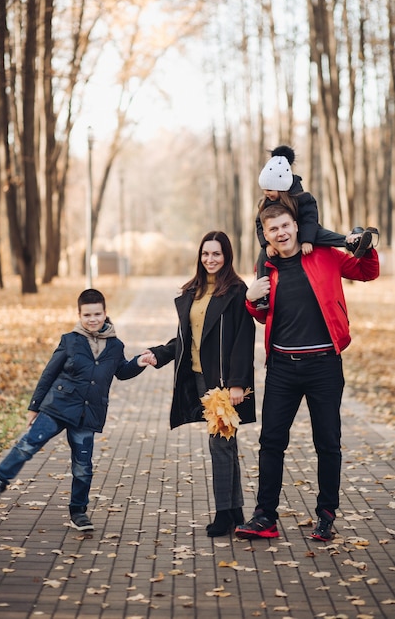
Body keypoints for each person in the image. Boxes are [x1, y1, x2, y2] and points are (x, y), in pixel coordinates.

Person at [235, 205, 379, 542]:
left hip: (324, 365)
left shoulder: (326, 253)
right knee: (271, 443)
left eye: (286, 225)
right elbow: (262, 313)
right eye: (274, 229)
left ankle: (327, 515)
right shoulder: (266, 266)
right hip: (282, 367)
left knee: (328, 443)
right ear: (266, 235)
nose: (281, 233)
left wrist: (367, 246)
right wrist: (249, 299)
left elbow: (366, 272)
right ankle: (264, 517)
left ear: (297, 225)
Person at [0, 288, 156, 532]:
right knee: (27, 445)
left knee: (83, 466)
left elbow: (122, 371)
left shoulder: (116, 346)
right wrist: (34, 407)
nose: (92, 319)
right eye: (87, 315)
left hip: (88, 415)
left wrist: (138, 362)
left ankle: (78, 512)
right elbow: (49, 373)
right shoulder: (70, 340)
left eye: (97, 314)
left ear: (105, 313)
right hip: (57, 407)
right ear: (79, 315)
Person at [149, 231, 256, 537]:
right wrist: (158, 354)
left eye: (217, 254)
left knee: (220, 445)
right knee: (225, 445)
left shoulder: (236, 291)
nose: (210, 259)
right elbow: (185, 338)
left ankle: (225, 514)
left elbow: (243, 340)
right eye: (206, 254)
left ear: (227, 257)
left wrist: (237, 384)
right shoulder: (192, 291)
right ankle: (234, 511)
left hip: (222, 382)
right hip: (197, 378)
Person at [254, 145, 378, 310]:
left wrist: (307, 240)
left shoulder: (302, 198)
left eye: (269, 189)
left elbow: (310, 221)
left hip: (308, 232)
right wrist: (267, 244)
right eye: (264, 190)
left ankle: (352, 241)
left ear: (281, 186)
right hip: (281, 243)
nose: (266, 193)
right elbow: (259, 224)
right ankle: (263, 297)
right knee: (262, 257)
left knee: (324, 236)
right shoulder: (266, 203)